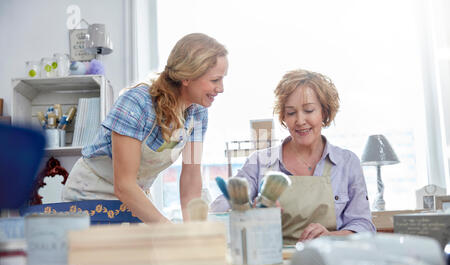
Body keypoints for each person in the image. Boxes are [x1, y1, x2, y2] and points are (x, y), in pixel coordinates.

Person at [62, 33, 228, 223]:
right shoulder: (136, 104)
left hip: (134, 198)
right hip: (90, 196)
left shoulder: (197, 114)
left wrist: (192, 231)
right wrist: (168, 230)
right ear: (187, 77)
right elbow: (124, 185)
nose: (221, 88)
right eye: (215, 80)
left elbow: (190, 176)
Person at [210, 69, 375, 244]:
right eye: (291, 113)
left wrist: (329, 237)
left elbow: (364, 227)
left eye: (309, 110)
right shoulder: (260, 162)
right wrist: (250, 213)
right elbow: (217, 212)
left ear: (324, 113)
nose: (300, 120)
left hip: (329, 263)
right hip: (272, 264)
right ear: (283, 118)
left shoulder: (347, 163)